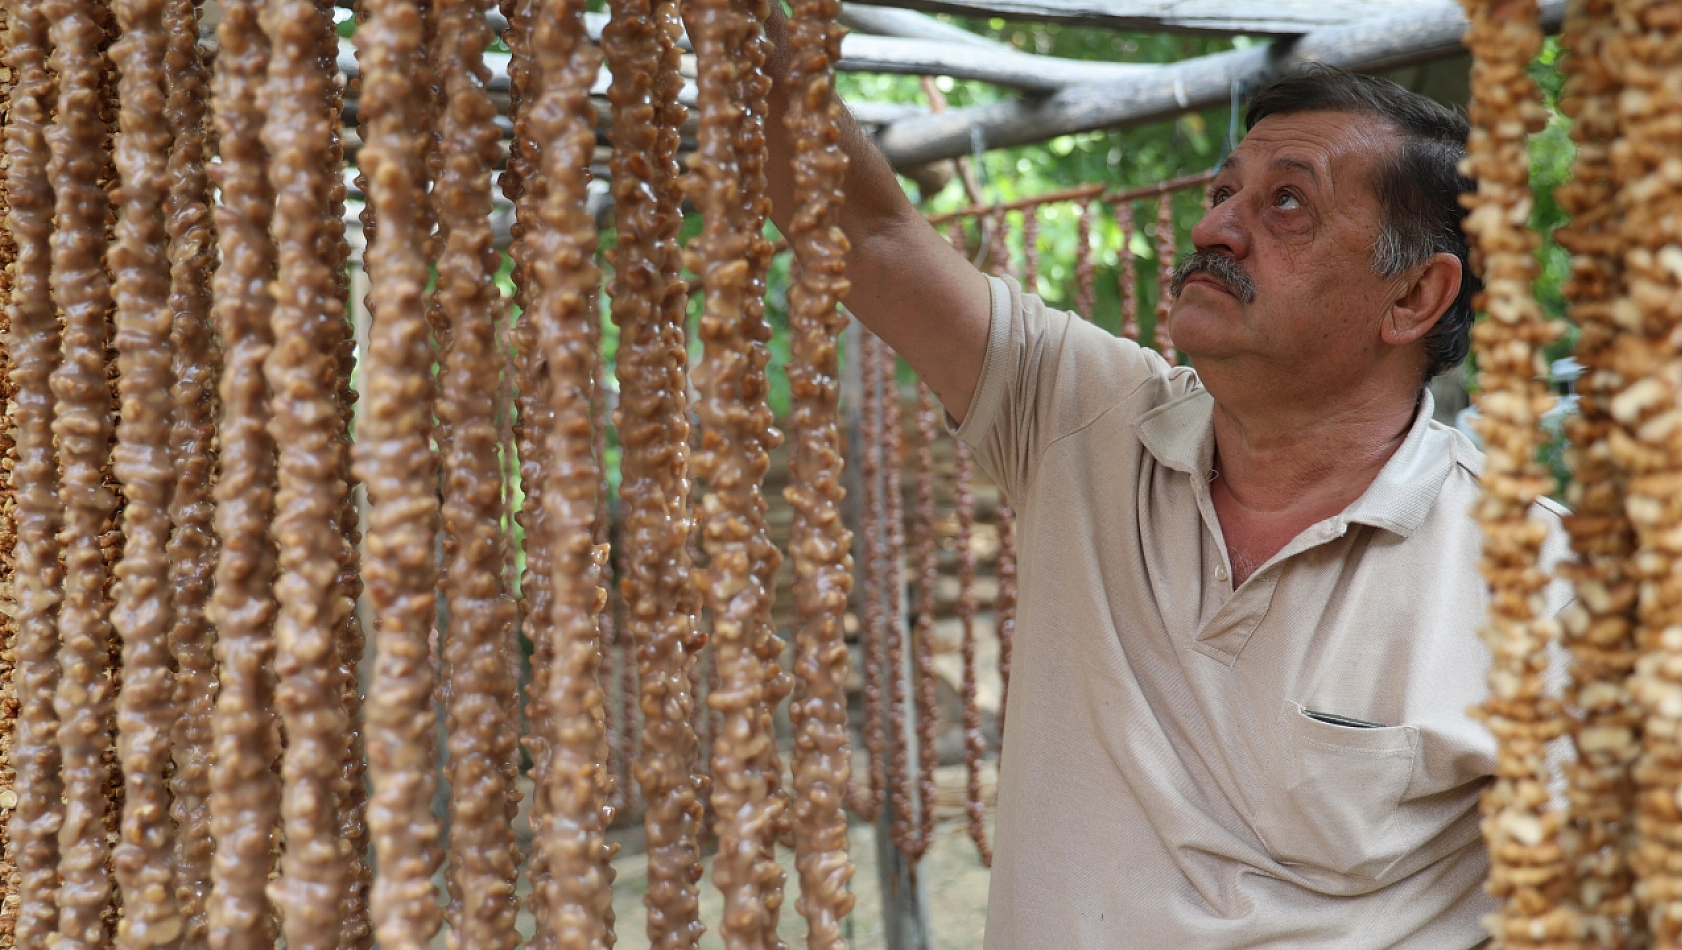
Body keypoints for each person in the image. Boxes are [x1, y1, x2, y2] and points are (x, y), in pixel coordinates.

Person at [761, 16, 1570, 948]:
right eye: (1226, 191)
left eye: (1287, 204)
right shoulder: (1082, 415)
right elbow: (869, 234)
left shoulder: (1535, 581)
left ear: (1414, 297)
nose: (1214, 225)